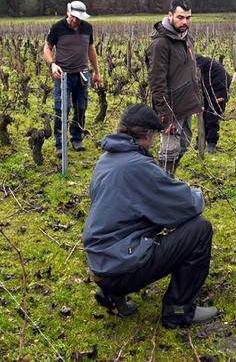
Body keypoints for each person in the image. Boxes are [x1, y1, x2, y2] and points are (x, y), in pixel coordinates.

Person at [83, 103, 219, 328]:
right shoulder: (138, 166)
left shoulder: (106, 159)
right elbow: (187, 205)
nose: (155, 142)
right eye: (154, 135)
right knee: (199, 230)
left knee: (133, 226)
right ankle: (179, 311)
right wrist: (198, 193)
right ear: (146, 135)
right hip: (118, 267)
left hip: (100, 262)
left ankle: (112, 294)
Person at [146, 0, 202, 176]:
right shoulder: (160, 44)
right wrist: (164, 114)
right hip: (171, 108)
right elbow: (157, 82)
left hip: (187, 104)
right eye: (180, 17)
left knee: (183, 145)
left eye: (188, 18)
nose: (185, 22)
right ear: (169, 15)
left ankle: (167, 179)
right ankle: (161, 185)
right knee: (168, 152)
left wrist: (197, 99)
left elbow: (191, 70)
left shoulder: (186, 38)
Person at [43, 1, 100, 156]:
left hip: (82, 74)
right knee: (61, 109)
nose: (76, 20)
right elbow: (47, 48)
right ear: (68, 12)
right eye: (73, 17)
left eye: (79, 18)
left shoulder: (87, 28)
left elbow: (91, 49)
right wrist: (53, 64)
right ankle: (60, 144)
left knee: (81, 107)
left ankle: (77, 138)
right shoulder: (57, 27)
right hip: (63, 75)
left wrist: (97, 72)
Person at [195, 54, 231, 153]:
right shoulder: (187, 61)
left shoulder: (194, 61)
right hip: (207, 86)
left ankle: (211, 142)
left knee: (212, 113)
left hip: (220, 84)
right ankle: (201, 140)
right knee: (203, 112)